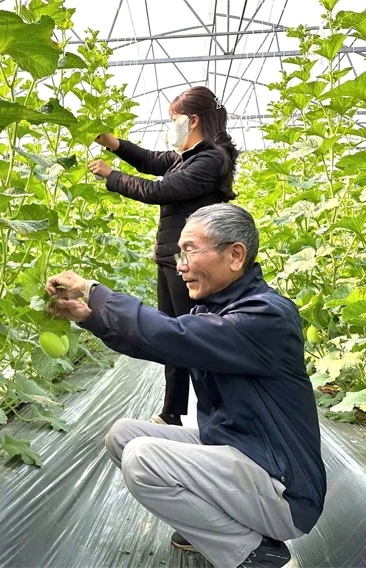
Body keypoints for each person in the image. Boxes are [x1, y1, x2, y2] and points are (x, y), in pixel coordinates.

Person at [45, 204, 326, 568]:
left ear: (235, 255)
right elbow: (161, 343)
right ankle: (214, 524)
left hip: (283, 488)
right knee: (123, 435)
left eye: (190, 250)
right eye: (180, 253)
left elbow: (168, 335)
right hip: (242, 453)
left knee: (143, 458)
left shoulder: (265, 315)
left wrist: (94, 291)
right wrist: (90, 317)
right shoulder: (216, 309)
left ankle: (256, 553)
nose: (180, 265)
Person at [88, 86, 240, 427]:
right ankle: (172, 412)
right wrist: (114, 144)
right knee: (172, 336)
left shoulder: (211, 158)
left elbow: (159, 190)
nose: (170, 126)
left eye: (174, 120)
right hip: (171, 258)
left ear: (194, 120)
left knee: (191, 337)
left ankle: (216, 415)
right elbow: (149, 161)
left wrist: (111, 175)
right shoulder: (186, 157)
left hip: (192, 261)